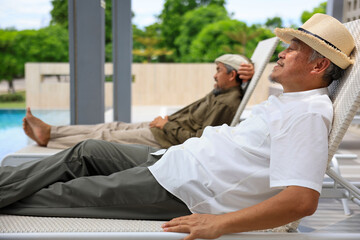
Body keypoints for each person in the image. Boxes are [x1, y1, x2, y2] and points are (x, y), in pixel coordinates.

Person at [0, 14, 355, 240]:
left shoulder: (308, 114)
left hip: (181, 189)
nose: (281, 52)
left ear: (318, 65)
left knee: (69, 194)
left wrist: (220, 224)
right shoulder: (289, 101)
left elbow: (302, 200)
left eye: (292, 48)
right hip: (172, 159)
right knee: (86, 151)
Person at [23, 54, 254, 149]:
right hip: (166, 127)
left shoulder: (226, 102)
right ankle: (51, 131)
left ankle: (50, 140)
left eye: (219, 70)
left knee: (106, 137)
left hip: (166, 136)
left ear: (232, 75)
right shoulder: (219, 93)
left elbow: (201, 141)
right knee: (111, 126)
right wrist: (166, 121)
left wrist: (166, 125)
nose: (215, 75)